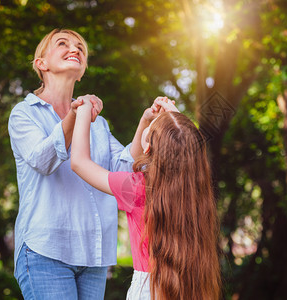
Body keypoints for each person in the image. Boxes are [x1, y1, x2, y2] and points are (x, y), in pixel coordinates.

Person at [8, 28, 157, 299]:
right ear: (41, 64)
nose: (74, 48)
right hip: (45, 250)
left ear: (82, 70)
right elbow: (43, 160)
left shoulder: (98, 124)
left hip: (93, 255)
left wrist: (144, 123)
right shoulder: (24, 114)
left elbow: (122, 171)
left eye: (80, 47)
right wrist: (76, 116)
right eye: (62, 43)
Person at [71, 98, 222, 299]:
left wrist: (83, 111)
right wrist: (172, 119)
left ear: (148, 148)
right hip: (189, 286)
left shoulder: (137, 187)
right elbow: (186, 145)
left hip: (148, 290)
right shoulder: (196, 190)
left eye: (151, 128)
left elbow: (79, 163)